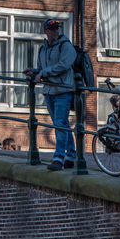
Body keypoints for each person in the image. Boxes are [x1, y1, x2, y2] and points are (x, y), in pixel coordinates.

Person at [25, 18, 78, 171]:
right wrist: (34, 72)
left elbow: (63, 65)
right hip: (49, 91)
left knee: (60, 124)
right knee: (61, 124)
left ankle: (58, 158)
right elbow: (42, 68)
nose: (55, 31)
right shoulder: (43, 49)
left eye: (56, 28)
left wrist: (43, 73)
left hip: (62, 91)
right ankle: (71, 156)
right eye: (51, 28)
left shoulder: (66, 46)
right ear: (46, 31)